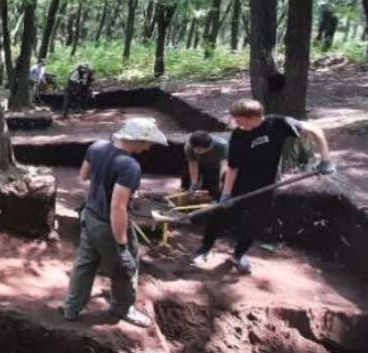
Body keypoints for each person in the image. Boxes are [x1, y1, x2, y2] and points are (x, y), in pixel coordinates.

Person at [192, 99, 335, 274]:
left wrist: (326, 160)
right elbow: (232, 168)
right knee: (219, 215)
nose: (235, 123)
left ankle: (239, 254)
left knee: (255, 221)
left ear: (252, 117)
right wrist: (226, 194)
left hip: (266, 185)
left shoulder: (278, 123)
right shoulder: (238, 135)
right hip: (238, 184)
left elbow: (316, 130)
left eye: (238, 119)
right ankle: (205, 248)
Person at [64, 117, 168, 328]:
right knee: (124, 268)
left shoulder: (97, 146)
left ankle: (71, 308)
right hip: (108, 225)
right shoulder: (130, 166)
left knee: (85, 263)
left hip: (89, 215)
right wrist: (122, 246)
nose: (148, 148)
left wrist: (106, 182)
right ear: (138, 140)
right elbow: (117, 208)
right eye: (147, 143)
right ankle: (123, 308)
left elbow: (84, 176)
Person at [181, 130, 228, 198]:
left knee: (210, 190)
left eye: (198, 149)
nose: (195, 151)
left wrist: (221, 182)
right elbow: (193, 163)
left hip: (214, 166)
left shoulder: (223, 146)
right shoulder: (189, 146)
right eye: (194, 148)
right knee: (187, 181)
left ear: (210, 146)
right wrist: (194, 184)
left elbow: (224, 165)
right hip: (199, 163)